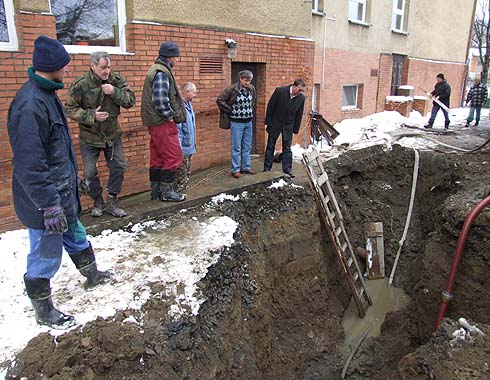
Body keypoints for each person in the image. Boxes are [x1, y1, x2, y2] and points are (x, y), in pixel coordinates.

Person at [7, 36, 111, 329]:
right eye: (63, 66)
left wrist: (73, 180)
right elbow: (30, 165)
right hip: (46, 203)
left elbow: (57, 151)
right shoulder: (30, 105)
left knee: (76, 235)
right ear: (51, 67)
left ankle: (92, 275)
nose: (66, 71)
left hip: (62, 193)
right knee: (45, 253)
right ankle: (44, 311)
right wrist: (49, 205)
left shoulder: (48, 95)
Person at [65, 51, 135, 218]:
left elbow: (130, 101)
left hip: (112, 135)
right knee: (89, 173)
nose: (107, 71)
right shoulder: (81, 85)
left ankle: (112, 200)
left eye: (109, 67)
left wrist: (114, 92)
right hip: (89, 137)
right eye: (103, 68)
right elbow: (70, 109)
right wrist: (91, 115)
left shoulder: (115, 80)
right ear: (93, 66)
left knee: (119, 166)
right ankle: (97, 201)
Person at [141, 41, 187, 202]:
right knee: (174, 155)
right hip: (162, 122)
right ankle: (167, 193)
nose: (177, 60)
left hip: (154, 122)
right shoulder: (161, 72)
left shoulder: (157, 70)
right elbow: (160, 100)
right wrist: (169, 116)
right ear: (170, 57)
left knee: (158, 157)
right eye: (176, 57)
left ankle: (156, 192)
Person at [216, 70, 257, 178]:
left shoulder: (251, 89)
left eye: (249, 80)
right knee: (236, 147)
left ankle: (246, 167)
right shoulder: (232, 89)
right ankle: (235, 169)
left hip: (248, 121)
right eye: (246, 80)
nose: (247, 82)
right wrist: (230, 109)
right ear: (241, 79)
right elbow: (220, 100)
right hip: (236, 122)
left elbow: (253, 101)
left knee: (247, 146)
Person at [264, 79, 306, 177]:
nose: (300, 92)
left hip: (288, 125)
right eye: (299, 90)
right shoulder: (280, 91)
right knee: (270, 146)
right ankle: (267, 169)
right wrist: (269, 122)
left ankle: (287, 169)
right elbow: (271, 107)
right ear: (294, 86)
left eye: (302, 91)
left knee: (287, 148)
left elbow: (299, 114)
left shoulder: (301, 98)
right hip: (276, 122)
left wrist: (296, 129)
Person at [174, 82, 197, 194]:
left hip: (189, 146)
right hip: (182, 148)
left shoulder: (189, 105)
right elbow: (177, 131)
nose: (195, 95)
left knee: (186, 172)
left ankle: (182, 191)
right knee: (181, 174)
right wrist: (178, 151)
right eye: (194, 92)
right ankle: (178, 193)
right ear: (186, 91)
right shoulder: (180, 107)